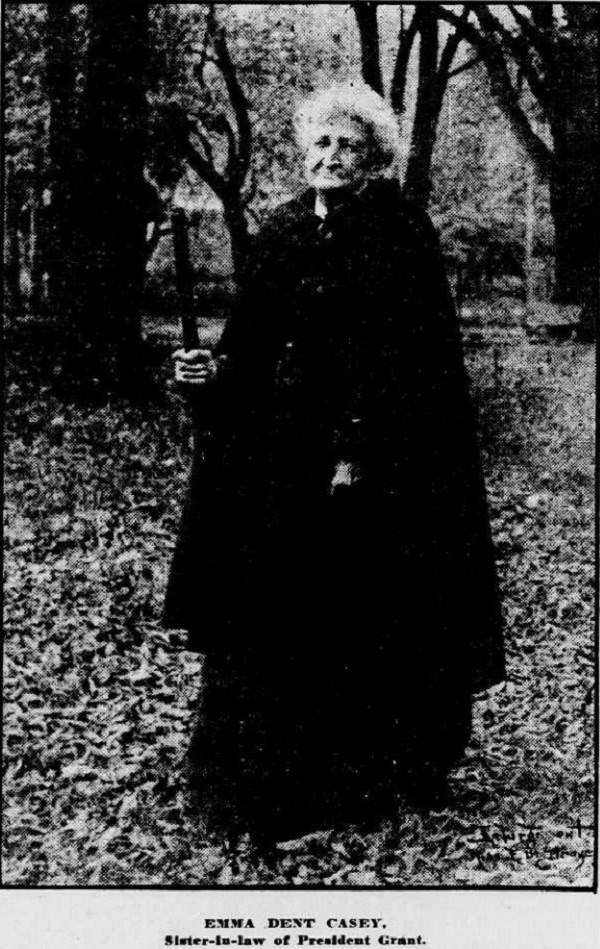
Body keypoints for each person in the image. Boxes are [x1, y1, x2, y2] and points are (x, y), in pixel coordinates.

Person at [165, 82, 505, 846]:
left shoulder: (398, 235)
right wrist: (205, 378)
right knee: (272, 609)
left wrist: (356, 453)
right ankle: (261, 773)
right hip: (279, 462)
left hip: (376, 468)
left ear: (373, 158)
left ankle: (360, 774)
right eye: (321, 143)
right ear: (303, 152)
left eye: (348, 146)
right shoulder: (283, 232)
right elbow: (247, 353)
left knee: (355, 612)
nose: (331, 156)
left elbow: (410, 367)